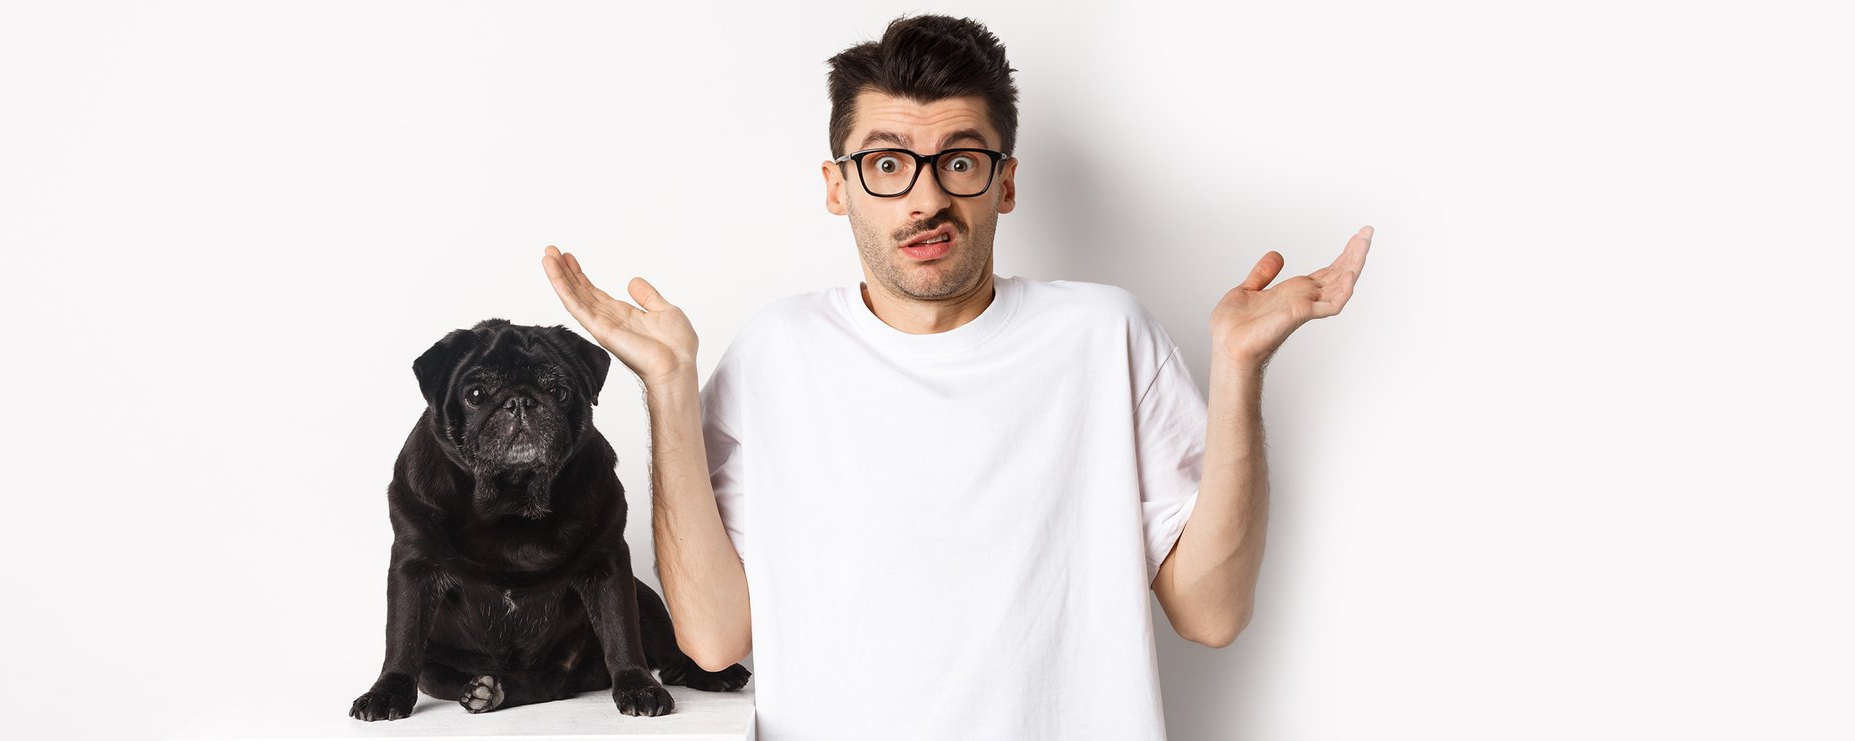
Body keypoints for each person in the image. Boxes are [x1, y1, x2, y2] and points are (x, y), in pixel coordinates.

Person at [537, 14, 1372, 740]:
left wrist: (1239, 369)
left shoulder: (1103, 335)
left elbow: (1213, 612)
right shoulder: (775, 353)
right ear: (838, 187)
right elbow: (714, 638)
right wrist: (668, 386)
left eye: (960, 161)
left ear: (1005, 182)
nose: (926, 197)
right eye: (888, 163)